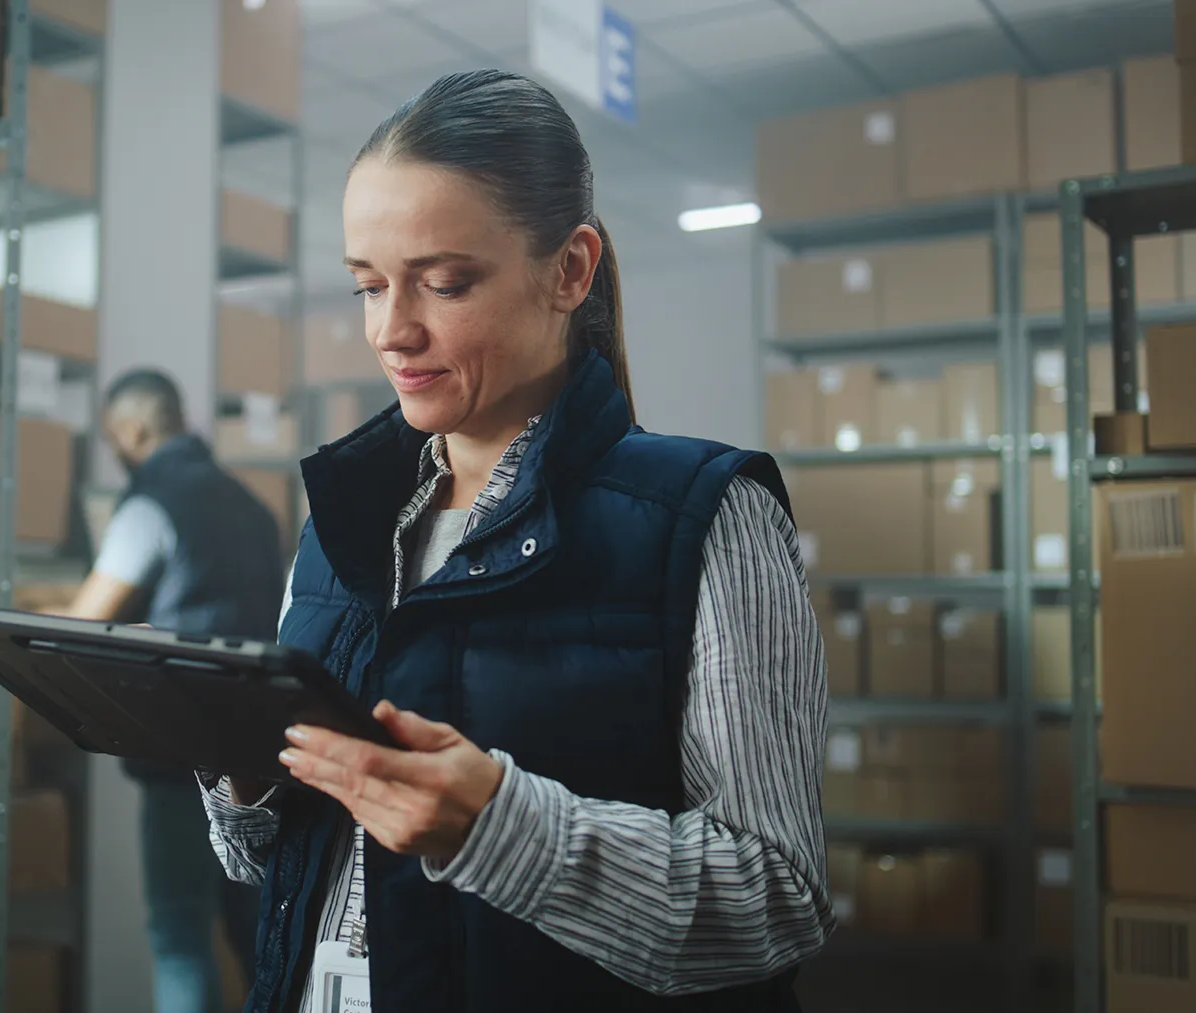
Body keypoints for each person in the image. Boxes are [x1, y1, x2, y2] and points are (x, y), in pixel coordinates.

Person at [198, 70, 832, 1012]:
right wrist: (244, 773)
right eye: (369, 286)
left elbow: (777, 898)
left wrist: (496, 826)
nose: (391, 331)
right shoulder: (343, 524)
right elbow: (261, 862)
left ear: (570, 270)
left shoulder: (704, 516)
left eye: (444, 283)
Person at [63, 368, 286, 1013]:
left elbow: (85, 621)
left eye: (115, 439)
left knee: (179, 935)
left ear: (133, 430)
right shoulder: (250, 505)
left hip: (178, 756)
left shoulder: (149, 505)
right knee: (258, 934)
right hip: (254, 754)